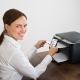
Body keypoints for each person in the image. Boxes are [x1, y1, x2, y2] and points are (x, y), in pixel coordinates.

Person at [0, 9, 58, 80]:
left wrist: (35, 47)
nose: (23, 30)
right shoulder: (12, 51)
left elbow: (20, 61)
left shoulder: (5, 43)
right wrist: (50, 55)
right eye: (18, 26)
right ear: (7, 27)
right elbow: (34, 74)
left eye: (25, 25)